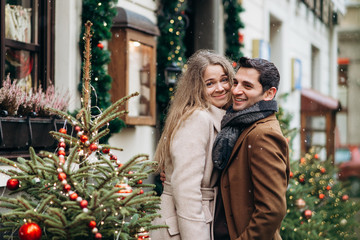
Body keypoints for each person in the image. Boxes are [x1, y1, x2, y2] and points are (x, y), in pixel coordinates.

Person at [151, 49, 235, 240]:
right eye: (210, 84)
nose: (220, 88)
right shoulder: (197, 118)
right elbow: (186, 188)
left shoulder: (219, 117)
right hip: (185, 224)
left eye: (224, 80)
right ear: (197, 88)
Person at [212, 57, 290, 240]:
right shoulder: (239, 123)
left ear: (269, 94)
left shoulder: (263, 135)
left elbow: (271, 211)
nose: (236, 91)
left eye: (247, 86)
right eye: (235, 82)